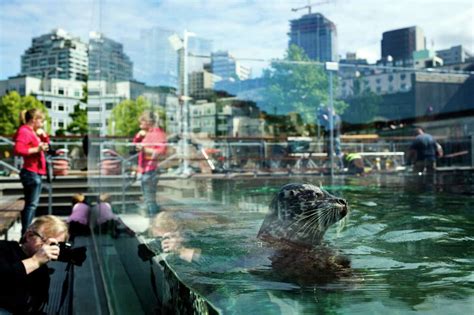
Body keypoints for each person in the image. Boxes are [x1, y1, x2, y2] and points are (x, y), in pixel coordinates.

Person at [0, 215, 68, 314]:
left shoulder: (42, 269)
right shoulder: (4, 248)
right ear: (29, 236)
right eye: (48, 243)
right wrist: (34, 261)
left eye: (57, 245)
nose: (51, 249)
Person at [14, 109, 50, 235]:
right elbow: (18, 149)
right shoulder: (24, 131)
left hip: (36, 172)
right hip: (31, 172)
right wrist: (37, 148)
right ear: (34, 119)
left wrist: (43, 136)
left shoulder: (33, 132)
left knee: (32, 205)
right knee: (31, 205)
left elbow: (47, 145)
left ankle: (27, 233)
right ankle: (26, 235)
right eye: (41, 120)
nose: (43, 122)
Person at [133, 111, 167, 217]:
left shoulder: (157, 133)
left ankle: (153, 222)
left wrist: (144, 149)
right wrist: (138, 136)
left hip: (151, 169)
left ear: (147, 122)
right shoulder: (148, 133)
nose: (139, 125)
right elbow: (135, 144)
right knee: (148, 198)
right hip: (146, 169)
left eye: (141, 122)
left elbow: (161, 151)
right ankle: (153, 221)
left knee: (149, 199)